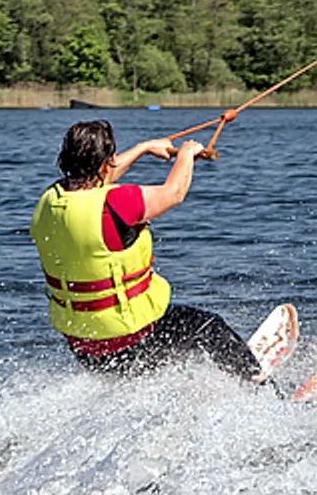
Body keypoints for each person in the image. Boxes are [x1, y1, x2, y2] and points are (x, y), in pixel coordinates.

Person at [30, 117, 266, 382]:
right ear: (106, 162)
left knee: (178, 336)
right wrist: (187, 153)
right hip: (131, 341)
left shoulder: (50, 199)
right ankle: (265, 391)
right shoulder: (117, 203)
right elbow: (174, 192)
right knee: (208, 327)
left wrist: (144, 148)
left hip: (86, 348)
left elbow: (97, 180)